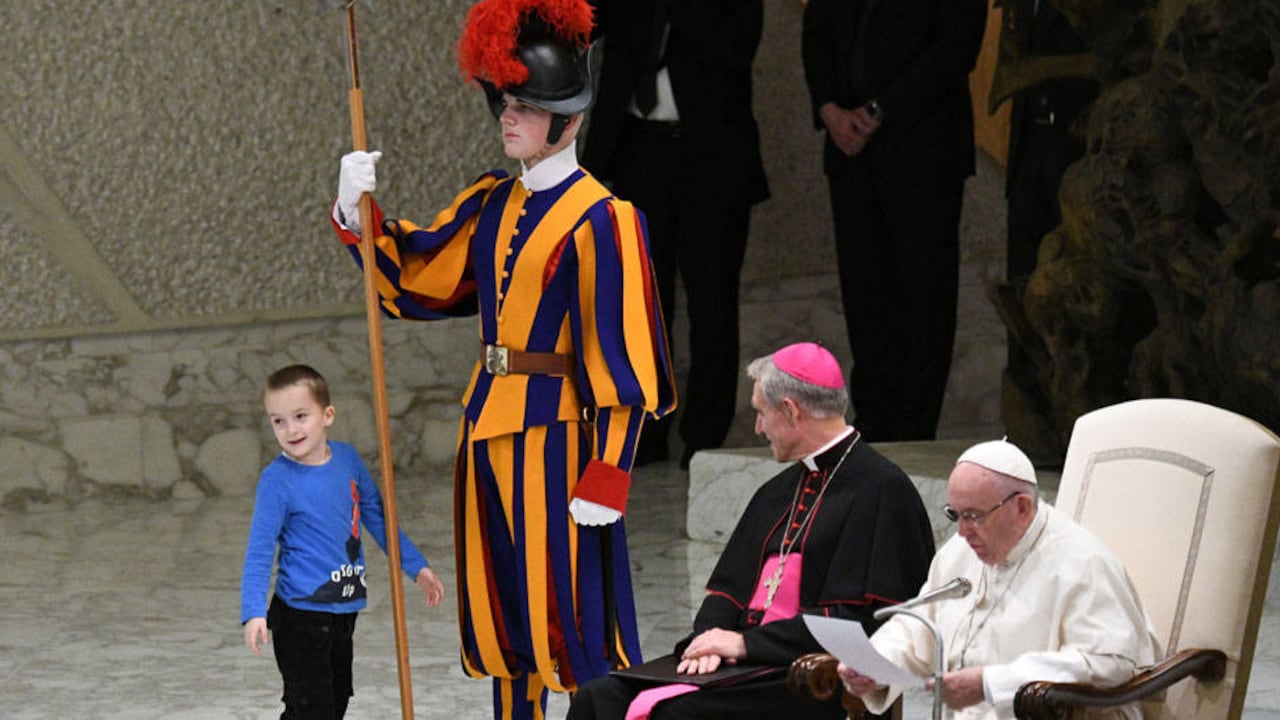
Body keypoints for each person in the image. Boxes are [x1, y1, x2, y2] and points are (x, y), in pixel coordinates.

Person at [328, 1, 677, 718]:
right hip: (487, 425)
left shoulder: (604, 218)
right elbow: (418, 282)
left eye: (526, 105)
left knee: (573, 626)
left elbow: (627, 365)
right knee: (506, 624)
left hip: (561, 440)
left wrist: (608, 473)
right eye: (506, 103)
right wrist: (355, 215)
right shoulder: (493, 200)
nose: (507, 117)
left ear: (569, 118)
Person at [567, 342, 935, 720]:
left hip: (810, 676)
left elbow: (865, 624)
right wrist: (709, 639)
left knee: (677, 715)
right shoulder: (775, 491)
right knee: (598, 697)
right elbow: (726, 592)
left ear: (790, 411)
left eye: (761, 413)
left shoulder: (883, 490)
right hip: (744, 665)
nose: (758, 428)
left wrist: (745, 644)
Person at [837, 439, 1160, 719]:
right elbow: (922, 623)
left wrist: (992, 683)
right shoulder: (960, 552)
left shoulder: (1082, 562)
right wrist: (877, 662)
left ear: (1021, 507)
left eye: (973, 516)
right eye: (955, 514)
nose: (961, 531)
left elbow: (1110, 663)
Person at [582, 0, 770, 468]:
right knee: (642, 301)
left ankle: (704, 437)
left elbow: (739, 46)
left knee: (712, 299)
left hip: (710, 154)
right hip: (639, 149)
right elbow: (584, 24)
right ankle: (646, 429)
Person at [801, 0, 988, 443]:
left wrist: (879, 110)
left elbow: (956, 48)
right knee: (864, 292)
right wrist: (829, 108)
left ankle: (914, 427)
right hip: (851, 154)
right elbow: (817, 30)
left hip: (924, 151)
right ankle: (874, 418)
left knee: (924, 295)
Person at [240, 363, 446, 719]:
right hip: (299, 616)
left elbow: (378, 517)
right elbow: (259, 550)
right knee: (311, 709)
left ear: (327, 415)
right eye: (278, 421)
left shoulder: (347, 460)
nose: (290, 429)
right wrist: (253, 610)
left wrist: (416, 566)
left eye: (301, 416)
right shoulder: (277, 480)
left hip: (343, 612)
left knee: (336, 702)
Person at [1000, 0, 1099, 380]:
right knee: (1023, 288)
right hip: (1029, 156)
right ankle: (1028, 401)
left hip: (1077, 154)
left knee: (1077, 291)